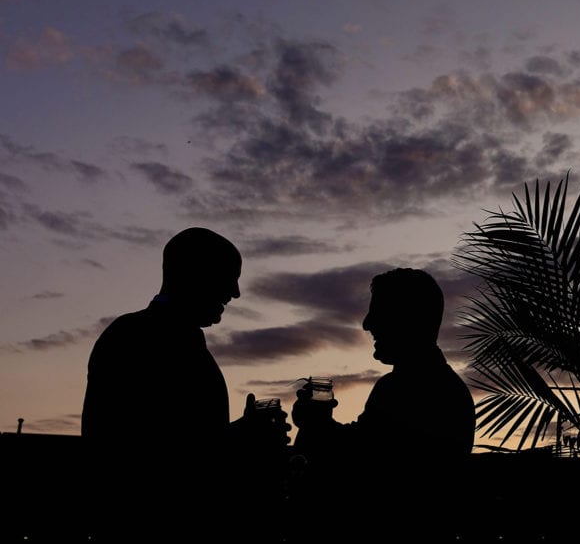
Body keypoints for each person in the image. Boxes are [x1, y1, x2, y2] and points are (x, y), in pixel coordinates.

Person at [81, 227, 290, 541]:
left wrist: (240, 434)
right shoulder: (134, 338)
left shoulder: (166, 337)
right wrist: (239, 438)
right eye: (228, 276)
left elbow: (182, 437)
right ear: (193, 273)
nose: (235, 292)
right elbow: (138, 455)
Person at [288, 267, 476, 537]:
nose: (367, 324)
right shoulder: (432, 386)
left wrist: (315, 425)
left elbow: (359, 468)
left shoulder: (409, 389)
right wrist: (319, 424)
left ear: (407, 319)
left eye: (378, 312)